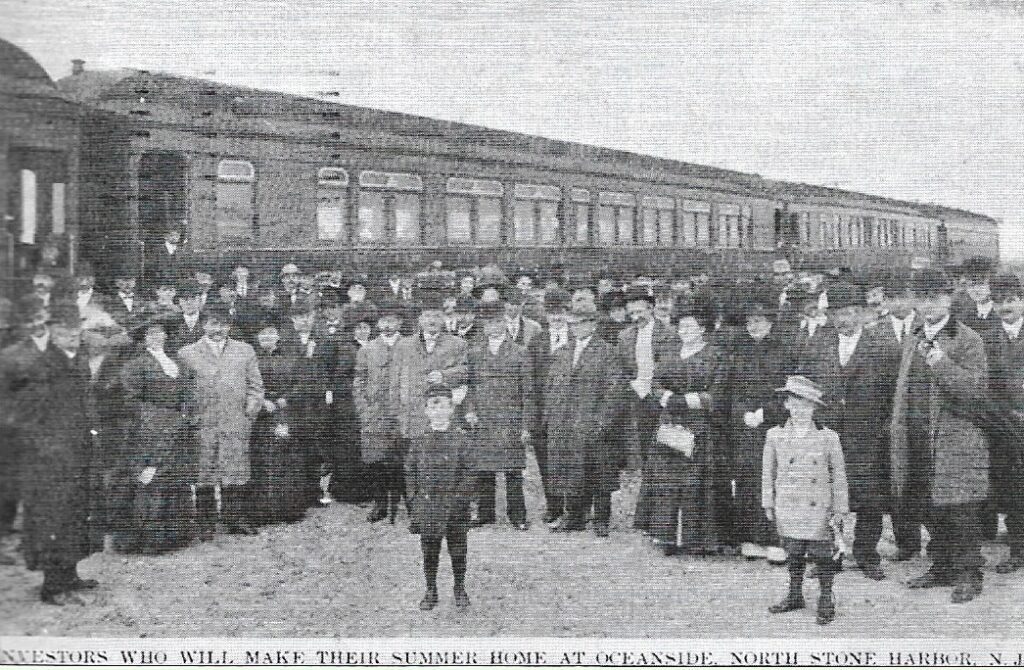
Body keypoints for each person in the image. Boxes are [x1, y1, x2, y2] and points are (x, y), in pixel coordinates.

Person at [892, 269, 989, 603]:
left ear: (948, 298)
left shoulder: (968, 339)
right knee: (931, 508)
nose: (928, 304)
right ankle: (942, 567)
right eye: (922, 297)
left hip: (955, 440)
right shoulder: (913, 336)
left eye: (934, 296)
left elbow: (974, 391)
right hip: (919, 436)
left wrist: (940, 361)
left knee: (961, 510)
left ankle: (968, 574)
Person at [796, 282, 898, 580]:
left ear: (864, 314)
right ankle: (831, 554)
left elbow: (893, 394)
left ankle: (867, 555)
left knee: (869, 499)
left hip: (868, 435)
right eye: (838, 313)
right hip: (827, 433)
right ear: (830, 315)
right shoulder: (817, 345)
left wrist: (884, 429)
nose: (845, 319)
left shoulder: (882, 347)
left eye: (852, 312)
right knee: (826, 495)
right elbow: (805, 388)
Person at [12, 300, 99, 604]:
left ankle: (70, 574)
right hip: (50, 458)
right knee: (53, 518)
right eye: (64, 331)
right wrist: (47, 449)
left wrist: (93, 432)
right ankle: (52, 586)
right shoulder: (41, 365)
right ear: (51, 331)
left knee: (77, 514)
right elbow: (28, 416)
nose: (72, 335)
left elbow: (87, 403)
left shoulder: (80, 358)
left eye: (76, 330)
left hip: (79, 452)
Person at [634, 296, 725, 555]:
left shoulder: (714, 356)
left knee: (694, 483)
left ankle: (696, 539)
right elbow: (654, 384)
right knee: (666, 481)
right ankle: (666, 537)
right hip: (669, 426)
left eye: (691, 327)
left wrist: (685, 401)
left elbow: (717, 394)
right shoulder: (670, 353)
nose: (685, 332)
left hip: (699, 428)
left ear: (703, 328)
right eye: (681, 327)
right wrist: (667, 398)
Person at [762, 375, 849, 626]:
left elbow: (839, 476)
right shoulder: (774, 435)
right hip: (788, 506)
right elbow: (768, 472)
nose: (800, 410)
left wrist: (841, 508)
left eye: (806, 404)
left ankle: (825, 596)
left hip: (819, 507)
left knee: (823, 554)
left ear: (814, 407)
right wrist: (768, 501)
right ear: (787, 404)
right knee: (794, 551)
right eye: (795, 403)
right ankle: (794, 594)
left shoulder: (828, 437)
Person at [178, 302, 264, 538]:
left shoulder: (245, 350)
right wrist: (190, 417)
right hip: (203, 422)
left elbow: (256, 386)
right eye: (213, 323)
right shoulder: (187, 353)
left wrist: (249, 414)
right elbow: (181, 391)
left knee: (235, 470)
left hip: (235, 420)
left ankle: (234, 518)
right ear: (204, 324)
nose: (218, 329)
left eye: (224, 324)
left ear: (230, 326)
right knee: (204, 471)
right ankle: (205, 522)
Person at [544, 300, 625, 537]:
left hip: (593, 424)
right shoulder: (562, 352)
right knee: (571, 471)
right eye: (572, 324)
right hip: (566, 424)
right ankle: (574, 517)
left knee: (599, 473)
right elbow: (551, 388)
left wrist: (602, 423)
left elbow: (614, 392)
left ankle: (601, 520)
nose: (574, 328)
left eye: (580, 323)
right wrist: (552, 417)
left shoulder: (608, 352)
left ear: (593, 324)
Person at [719, 289, 788, 561]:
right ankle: (750, 537)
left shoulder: (784, 349)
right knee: (747, 480)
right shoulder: (737, 349)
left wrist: (766, 413)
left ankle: (775, 539)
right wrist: (741, 414)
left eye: (759, 320)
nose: (754, 325)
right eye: (750, 321)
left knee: (772, 479)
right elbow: (728, 387)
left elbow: (787, 390)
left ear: (770, 321)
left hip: (773, 426)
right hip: (743, 426)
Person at [118, 322, 196, 553]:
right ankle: (152, 538)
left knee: (175, 475)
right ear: (143, 338)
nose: (157, 337)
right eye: (151, 333)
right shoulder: (135, 365)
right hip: (148, 429)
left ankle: (176, 535)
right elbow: (131, 400)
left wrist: (185, 414)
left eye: (160, 332)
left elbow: (188, 391)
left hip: (176, 427)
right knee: (152, 476)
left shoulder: (177, 362)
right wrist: (160, 417)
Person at [391, 302, 469, 522]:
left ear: (444, 318)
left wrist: (445, 375)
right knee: (414, 465)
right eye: (426, 316)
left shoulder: (457, 344)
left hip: (442, 415)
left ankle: (446, 509)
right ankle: (415, 509)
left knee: (443, 463)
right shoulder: (404, 345)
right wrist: (396, 412)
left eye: (436, 316)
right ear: (419, 319)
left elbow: (466, 370)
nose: (432, 321)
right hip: (413, 413)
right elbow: (395, 380)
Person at [463, 301, 536, 529]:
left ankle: (518, 516)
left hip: (509, 420)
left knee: (513, 470)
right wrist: (471, 410)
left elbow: (528, 392)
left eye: (496, 322)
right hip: (484, 419)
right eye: (487, 323)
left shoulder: (520, 352)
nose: (492, 327)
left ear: (504, 323)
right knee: (484, 469)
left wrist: (525, 426)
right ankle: (486, 514)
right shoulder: (475, 353)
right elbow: (470, 387)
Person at [408, 384, 474, 611]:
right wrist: (414, 500)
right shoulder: (419, 441)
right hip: (428, 506)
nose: (438, 412)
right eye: (432, 407)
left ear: (451, 410)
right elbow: (411, 473)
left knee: (458, 549)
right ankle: (431, 589)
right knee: (429, 550)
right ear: (426, 411)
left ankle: (459, 587)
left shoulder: (461, 439)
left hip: (454, 506)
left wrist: (460, 499)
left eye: (443, 406)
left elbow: (469, 472)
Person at [982, 274, 1024, 574]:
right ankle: (1019, 550)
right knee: (1011, 490)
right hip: (1003, 427)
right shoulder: (985, 336)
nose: (1005, 306)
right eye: (999, 301)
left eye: (1010, 300)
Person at [249, 324, 306, 525]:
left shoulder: (291, 356)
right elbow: (245, 383)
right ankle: (263, 510)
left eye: (271, 333)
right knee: (262, 460)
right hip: (260, 415)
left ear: (278, 335)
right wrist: (262, 401)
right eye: (262, 333)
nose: (267, 337)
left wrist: (285, 399)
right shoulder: (250, 357)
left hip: (285, 413)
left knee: (287, 458)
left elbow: (301, 383)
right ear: (257, 336)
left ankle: (289, 509)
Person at [355, 308, 405, 523]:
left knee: (401, 460)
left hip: (402, 414)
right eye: (384, 320)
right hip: (375, 414)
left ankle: (406, 503)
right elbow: (359, 382)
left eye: (392, 320)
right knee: (376, 461)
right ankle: (380, 503)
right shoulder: (368, 349)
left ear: (400, 322)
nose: (387, 324)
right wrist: (364, 410)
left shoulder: (410, 346)